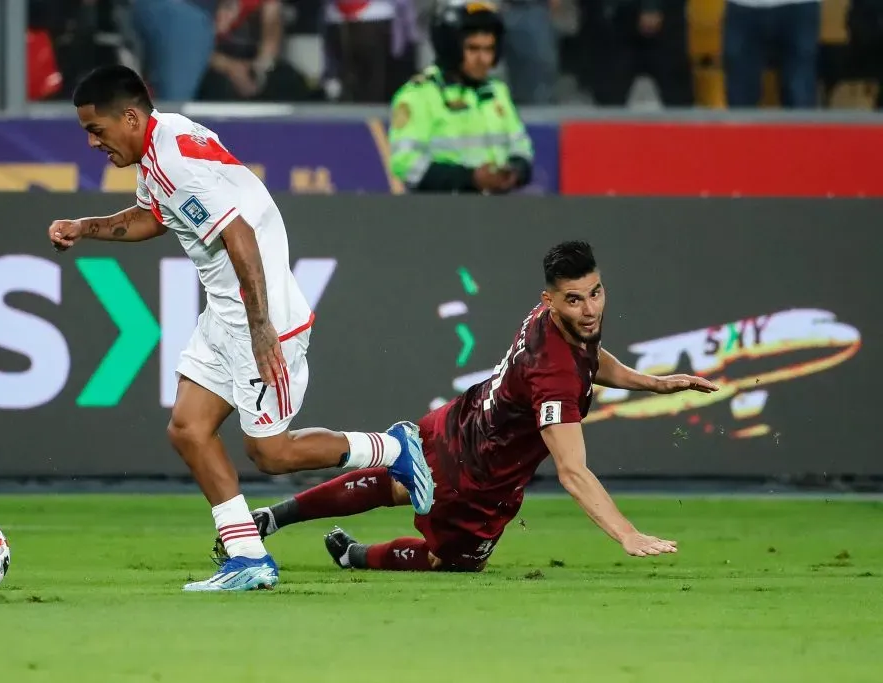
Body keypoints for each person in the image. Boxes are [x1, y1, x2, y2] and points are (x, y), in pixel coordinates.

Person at [47, 65, 434, 591]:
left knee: (270, 453)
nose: (92, 142)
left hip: (259, 317)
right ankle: (248, 557)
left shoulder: (174, 161)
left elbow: (240, 236)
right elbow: (153, 218)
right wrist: (85, 228)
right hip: (225, 314)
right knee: (188, 429)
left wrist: (260, 327)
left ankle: (391, 450)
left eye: (96, 130)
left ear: (131, 117)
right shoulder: (162, 145)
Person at [214, 241, 719, 572]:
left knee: (394, 482)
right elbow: (572, 471)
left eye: (596, 293)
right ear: (550, 299)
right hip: (480, 477)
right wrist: (626, 534)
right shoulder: (555, 374)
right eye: (575, 300)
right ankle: (356, 556)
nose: (589, 310)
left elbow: (591, 360)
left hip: (461, 420)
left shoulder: (552, 321)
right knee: (451, 562)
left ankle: (274, 517)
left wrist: (652, 384)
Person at [388, 0, 535, 194]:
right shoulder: (419, 95)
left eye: (489, 49)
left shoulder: (497, 92)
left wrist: (514, 172)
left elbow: (521, 147)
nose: (483, 60)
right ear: (450, 49)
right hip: (441, 212)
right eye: (473, 49)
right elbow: (404, 163)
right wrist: (470, 179)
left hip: (496, 210)